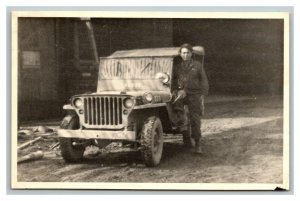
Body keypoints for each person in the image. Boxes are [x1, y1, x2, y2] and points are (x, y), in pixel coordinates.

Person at [172, 43, 209, 154]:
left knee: (195, 119)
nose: (186, 55)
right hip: (181, 95)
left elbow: (204, 80)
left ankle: (198, 144)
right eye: (183, 53)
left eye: (188, 53)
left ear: (191, 54)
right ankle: (184, 131)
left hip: (194, 94)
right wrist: (176, 90)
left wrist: (203, 94)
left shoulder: (197, 66)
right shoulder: (177, 67)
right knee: (176, 109)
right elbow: (172, 81)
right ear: (180, 54)